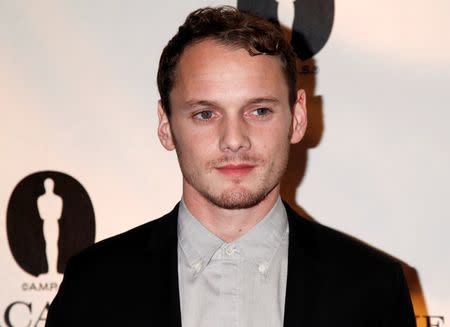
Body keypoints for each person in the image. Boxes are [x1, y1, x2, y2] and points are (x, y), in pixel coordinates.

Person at [45, 6, 416, 327]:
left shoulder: (372, 288)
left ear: (297, 117)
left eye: (259, 111)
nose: (234, 139)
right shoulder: (93, 287)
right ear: (166, 124)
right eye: (206, 114)